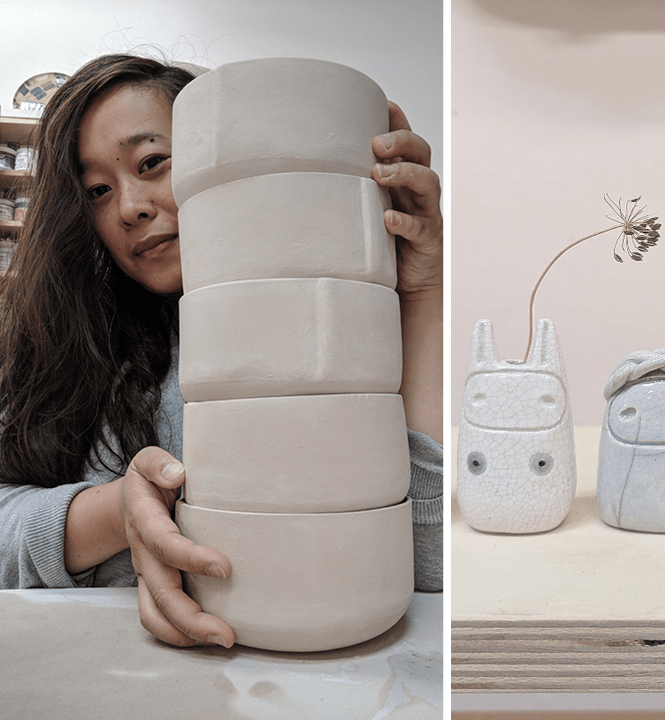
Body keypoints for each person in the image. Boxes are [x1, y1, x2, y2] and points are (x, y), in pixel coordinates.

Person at [0, 54, 443, 648]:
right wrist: (114, 514)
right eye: (98, 191)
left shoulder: (331, 322)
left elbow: (429, 559)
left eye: (153, 162)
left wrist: (420, 293)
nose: (130, 206)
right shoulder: (66, 344)